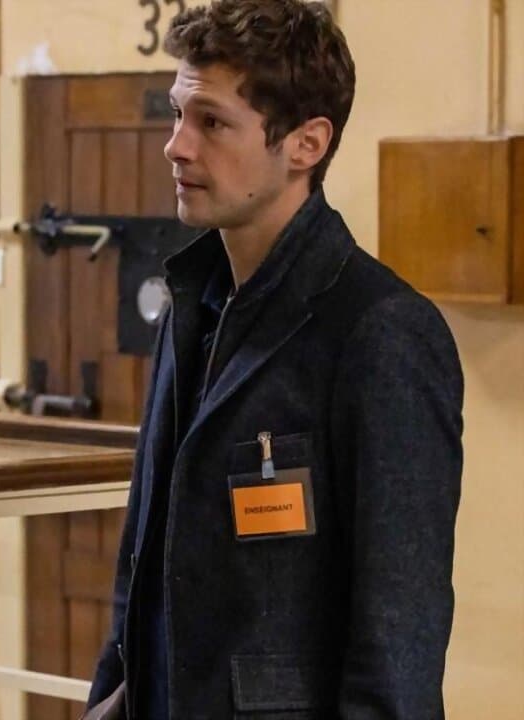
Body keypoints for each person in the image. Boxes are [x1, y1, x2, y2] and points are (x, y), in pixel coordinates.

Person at [83, 1, 463, 717]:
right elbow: (145, 560)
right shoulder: (191, 305)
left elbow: (399, 632)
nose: (176, 147)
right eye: (178, 115)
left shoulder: (381, 331)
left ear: (306, 144)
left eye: (212, 123)